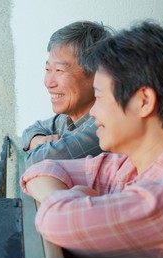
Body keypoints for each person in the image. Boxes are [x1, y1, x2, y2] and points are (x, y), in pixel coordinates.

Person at [20, 21, 163, 258]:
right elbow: (42, 168)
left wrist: (70, 199)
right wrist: (75, 197)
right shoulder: (130, 165)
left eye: (99, 97)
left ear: (143, 101)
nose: (93, 112)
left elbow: (55, 220)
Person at [22, 21, 111, 167]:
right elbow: (31, 130)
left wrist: (35, 148)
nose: (48, 82)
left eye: (59, 70)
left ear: (96, 75)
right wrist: (37, 140)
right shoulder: (67, 119)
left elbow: (35, 161)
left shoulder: (101, 128)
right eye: (47, 70)